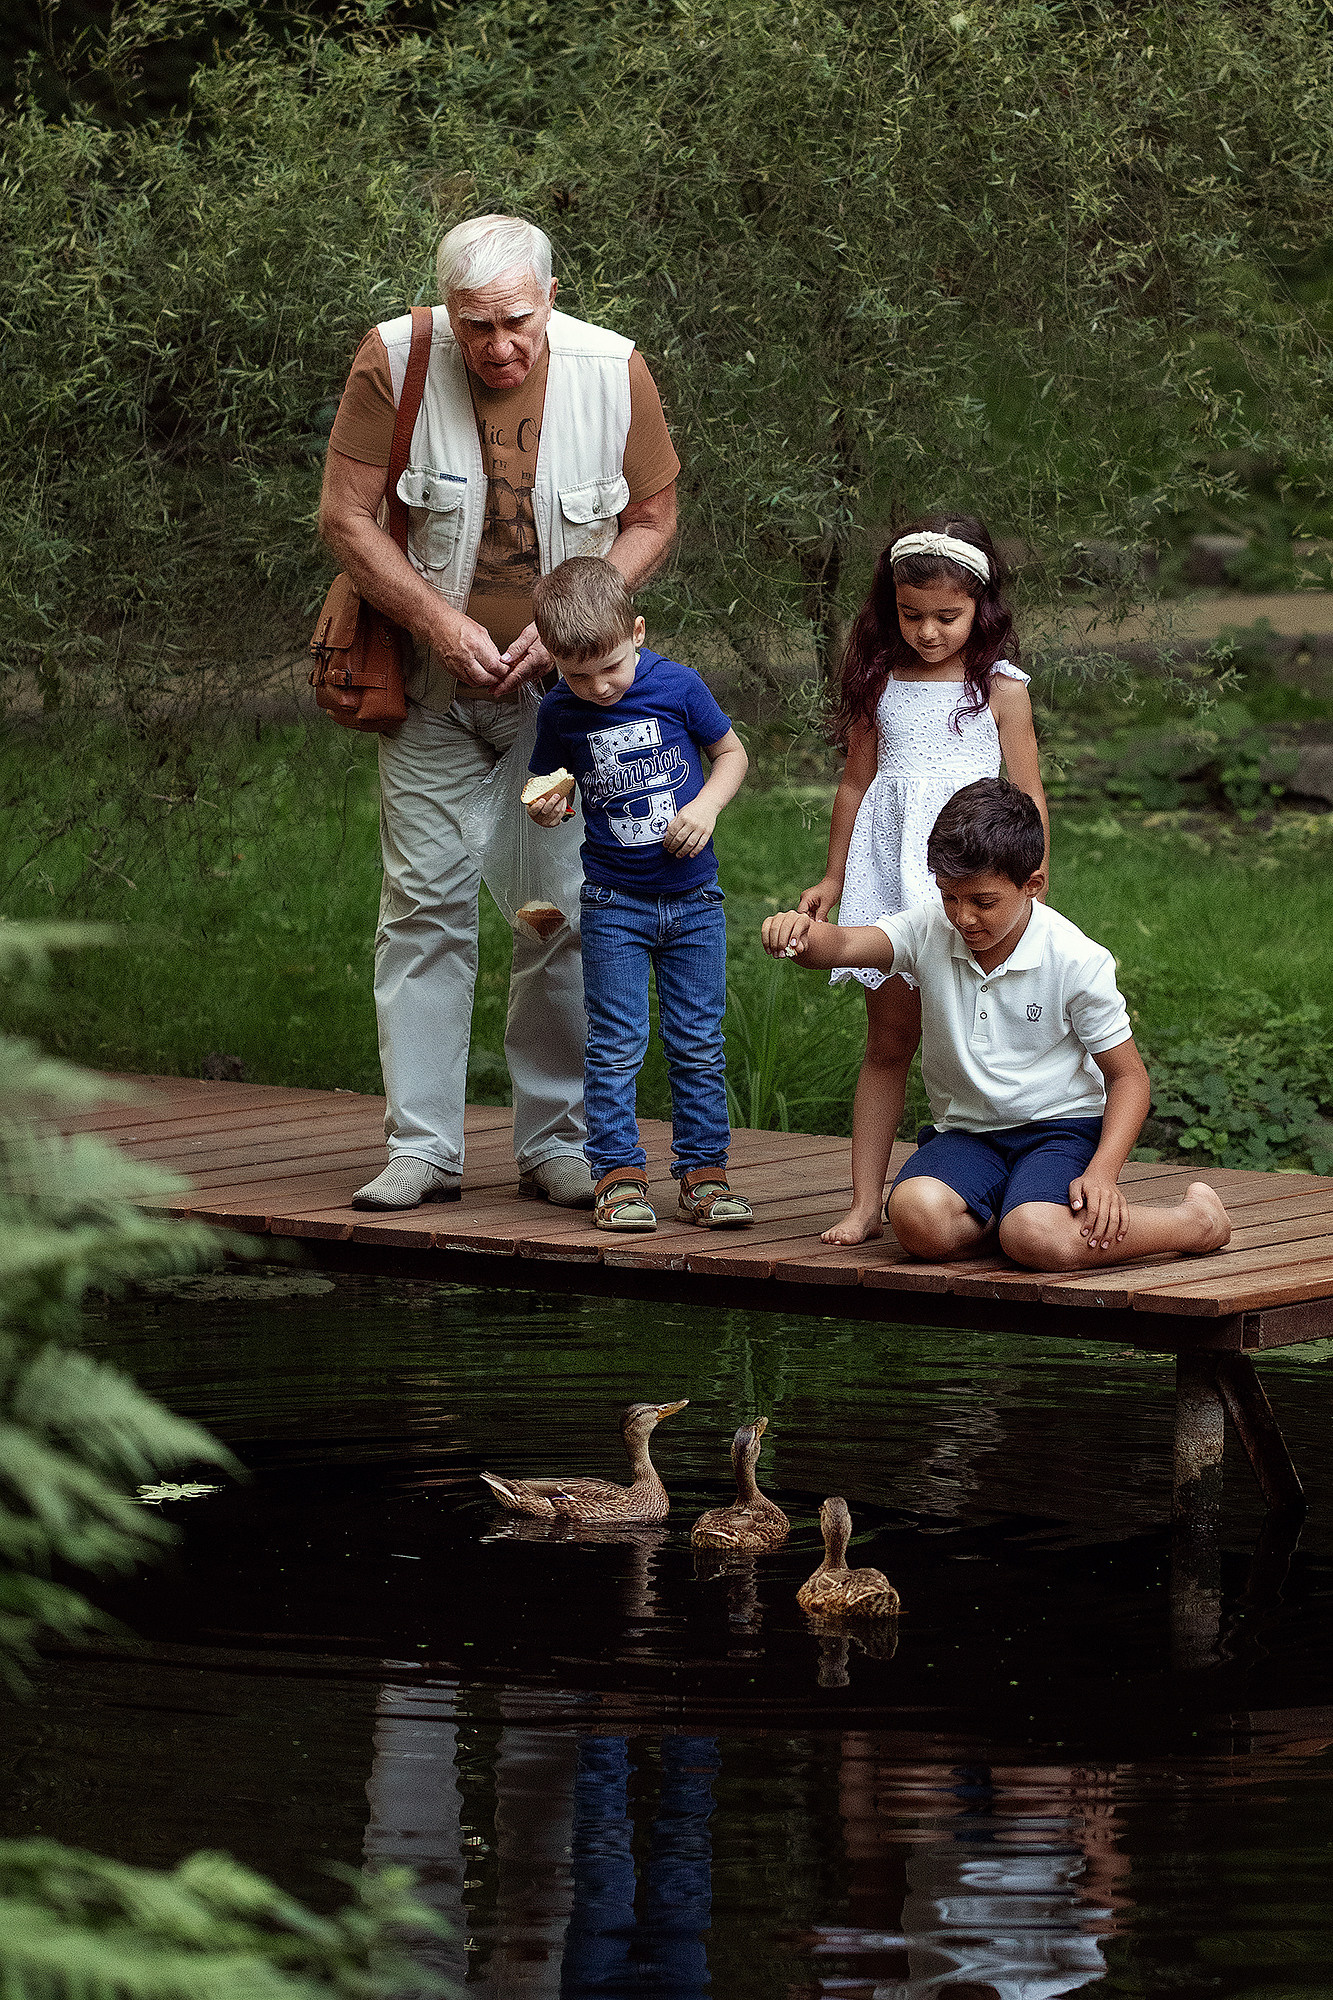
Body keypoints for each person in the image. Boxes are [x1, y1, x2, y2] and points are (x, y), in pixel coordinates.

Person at [318, 215, 680, 1211]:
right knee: (422, 906)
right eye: (475, 325)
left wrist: (579, 620)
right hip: (431, 692)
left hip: (559, 707)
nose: (497, 346)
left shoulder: (614, 371)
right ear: (447, 309)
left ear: (551, 299)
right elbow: (344, 514)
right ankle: (423, 1149)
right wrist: (438, 624)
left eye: (516, 321)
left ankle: (555, 1143)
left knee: (558, 914)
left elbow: (653, 517)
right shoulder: (394, 359)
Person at [762, 778, 1232, 1271]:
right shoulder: (930, 928)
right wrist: (799, 936)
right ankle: (1013, 1223)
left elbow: (1129, 1077)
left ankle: (1194, 1223)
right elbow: (843, 946)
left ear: (1031, 885)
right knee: (914, 1216)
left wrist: (1103, 1172)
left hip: (1060, 1130)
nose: (963, 917)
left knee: (1038, 1235)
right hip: (971, 1134)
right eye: (950, 897)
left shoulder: (1075, 959)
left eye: (983, 901)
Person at [798, 514, 1048, 1247]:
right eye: (911, 616)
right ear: (890, 607)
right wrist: (835, 878)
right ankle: (863, 1201)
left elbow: (1028, 791)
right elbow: (853, 784)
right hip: (890, 874)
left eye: (948, 616)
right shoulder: (880, 681)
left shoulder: (998, 689)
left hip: (973, 876)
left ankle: (1001, 1175)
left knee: (983, 1030)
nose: (929, 632)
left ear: (982, 609)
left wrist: (1034, 878)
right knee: (889, 1039)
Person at [524, 557, 752, 1233]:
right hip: (613, 903)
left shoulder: (678, 687)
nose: (597, 687)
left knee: (696, 1041)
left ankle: (703, 1176)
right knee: (615, 1043)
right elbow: (546, 786)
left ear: (638, 633)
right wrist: (546, 805)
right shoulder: (561, 710)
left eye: (611, 668)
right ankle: (617, 1178)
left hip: (693, 902)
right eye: (576, 673)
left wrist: (706, 809)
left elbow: (731, 755)